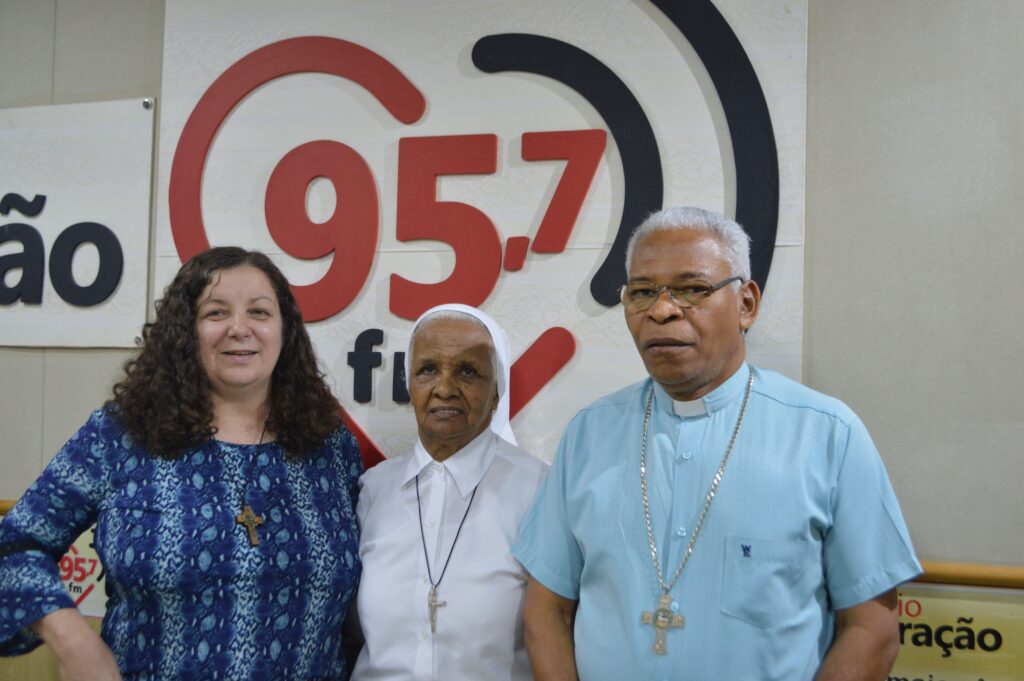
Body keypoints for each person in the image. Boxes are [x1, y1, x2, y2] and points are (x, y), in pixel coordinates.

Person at [513, 207, 922, 680]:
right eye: (643, 292)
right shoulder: (588, 434)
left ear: (746, 303)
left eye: (692, 289)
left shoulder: (827, 434)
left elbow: (872, 627)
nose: (662, 310)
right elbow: (548, 611)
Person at [0, 247, 362, 680]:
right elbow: (14, 547)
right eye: (216, 313)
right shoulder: (121, 435)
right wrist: (73, 639)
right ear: (185, 331)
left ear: (285, 330)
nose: (239, 329)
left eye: (260, 312)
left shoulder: (330, 446)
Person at [352, 303, 547, 681]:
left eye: (468, 371)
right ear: (409, 384)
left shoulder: (539, 489)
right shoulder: (374, 489)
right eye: (428, 370)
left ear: (496, 390)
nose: (444, 388)